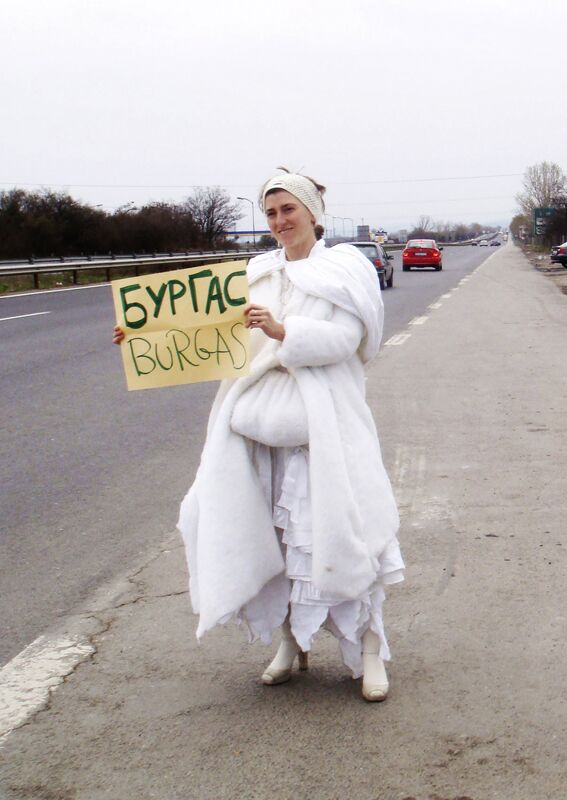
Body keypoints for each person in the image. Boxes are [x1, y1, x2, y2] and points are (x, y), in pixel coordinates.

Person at [112, 169, 403, 702]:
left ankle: (368, 651)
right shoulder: (256, 272)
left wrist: (284, 331)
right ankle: (291, 646)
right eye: (270, 214)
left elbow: (349, 340)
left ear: (314, 213)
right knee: (278, 544)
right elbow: (213, 336)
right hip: (259, 441)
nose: (278, 222)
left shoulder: (344, 269)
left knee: (343, 538)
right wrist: (142, 333)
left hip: (327, 438)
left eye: (287, 210)